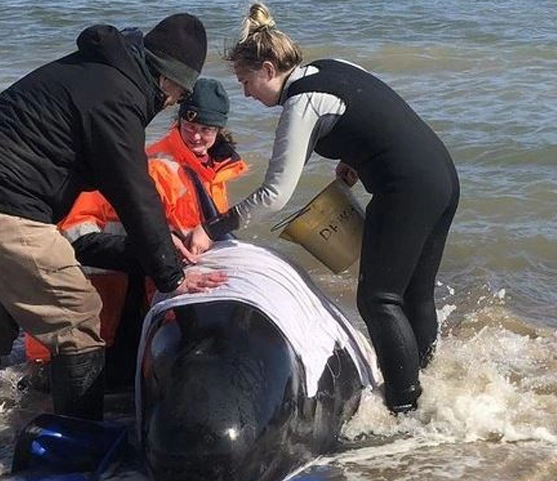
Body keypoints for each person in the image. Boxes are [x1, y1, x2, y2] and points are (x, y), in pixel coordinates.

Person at [0, 13, 227, 453]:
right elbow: (132, 191)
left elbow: (115, 179)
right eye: (178, 96)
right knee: (80, 318)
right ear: (166, 80)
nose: (172, 104)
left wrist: (163, 243)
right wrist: (173, 276)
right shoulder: (119, 95)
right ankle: (75, 457)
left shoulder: (96, 70)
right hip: (2, 208)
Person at [185, 3, 460, 413]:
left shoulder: (302, 102)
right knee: (415, 294)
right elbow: (378, 113)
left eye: (245, 81)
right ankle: (429, 388)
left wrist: (213, 228)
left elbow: (275, 193)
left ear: (266, 68)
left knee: (379, 299)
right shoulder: (332, 66)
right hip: (441, 176)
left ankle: (403, 409)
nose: (245, 92)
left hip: (405, 189)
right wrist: (356, 156)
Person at [21, 77, 248, 392]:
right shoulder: (156, 165)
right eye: (190, 125)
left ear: (219, 131)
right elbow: (146, 233)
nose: (196, 135)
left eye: (206, 130)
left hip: (139, 277)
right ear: (179, 119)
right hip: (104, 293)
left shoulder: (212, 171)